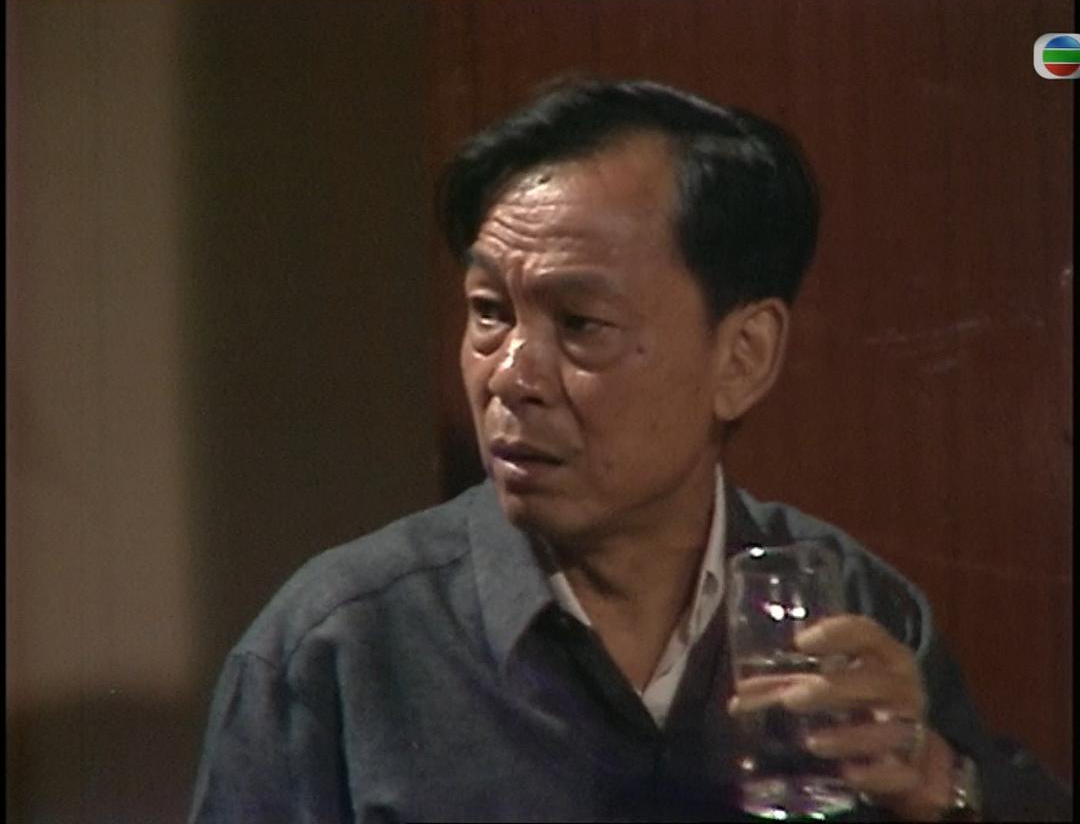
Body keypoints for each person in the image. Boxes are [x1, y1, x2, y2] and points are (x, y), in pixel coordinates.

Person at [188, 79, 1071, 823]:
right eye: (489, 312)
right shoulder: (338, 650)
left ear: (743, 357)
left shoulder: (858, 613)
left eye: (580, 324)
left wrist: (935, 782)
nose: (511, 376)